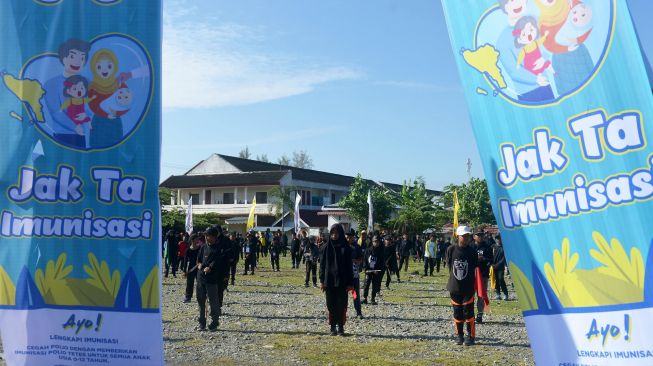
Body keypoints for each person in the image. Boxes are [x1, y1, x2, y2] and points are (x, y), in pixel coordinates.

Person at [319, 224, 354, 336]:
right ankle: (333, 327)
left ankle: (341, 327)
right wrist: (322, 281)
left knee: (341, 304)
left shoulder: (347, 248)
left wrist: (350, 283)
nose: (334, 235)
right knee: (331, 304)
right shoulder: (325, 248)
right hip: (329, 281)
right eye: (332, 233)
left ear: (340, 234)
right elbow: (322, 266)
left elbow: (349, 267)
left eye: (337, 233)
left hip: (343, 282)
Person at [446, 226, 478, 346]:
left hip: (468, 287)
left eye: (468, 236)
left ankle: (471, 336)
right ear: (457, 236)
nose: (466, 238)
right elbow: (449, 265)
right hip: (454, 287)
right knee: (457, 313)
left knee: (468, 313)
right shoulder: (450, 249)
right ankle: (459, 335)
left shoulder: (472, 252)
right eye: (463, 236)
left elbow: (475, 268)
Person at [196, 226, 232, 332]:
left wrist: (210, 267)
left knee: (213, 302)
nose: (207, 238)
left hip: (212, 279)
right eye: (206, 235)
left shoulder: (220, 248)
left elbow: (219, 262)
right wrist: (199, 265)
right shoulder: (203, 247)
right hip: (200, 278)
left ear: (215, 237)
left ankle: (215, 322)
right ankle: (202, 322)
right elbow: (198, 259)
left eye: (209, 236)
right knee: (200, 301)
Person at [474, 230, 493, 324]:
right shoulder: (470, 247)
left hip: (483, 275)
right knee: (469, 295)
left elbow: (491, 260)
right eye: (478, 235)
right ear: (474, 236)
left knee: (481, 295)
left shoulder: (487, 247)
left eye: (481, 235)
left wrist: (483, 259)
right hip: (472, 275)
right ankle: (469, 314)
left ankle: (479, 315)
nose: (480, 237)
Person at [346, 229, 364, 319]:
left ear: (353, 236)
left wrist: (354, 261)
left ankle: (358, 312)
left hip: (354, 274)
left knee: (355, 293)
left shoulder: (357, 247)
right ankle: (342, 313)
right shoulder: (342, 246)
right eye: (347, 236)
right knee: (343, 294)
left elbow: (361, 259)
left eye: (350, 236)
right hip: (344, 275)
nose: (348, 237)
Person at [362, 236, 385, 305]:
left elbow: (382, 262)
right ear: (372, 242)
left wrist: (378, 270)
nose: (376, 243)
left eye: (377, 242)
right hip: (368, 270)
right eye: (375, 242)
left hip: (376, 271)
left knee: (375, 285)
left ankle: (373, 299)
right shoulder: (368, 250)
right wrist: (365, 268)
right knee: (366, 284)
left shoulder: (381, 251)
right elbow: (365, 260)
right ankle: (365, 298)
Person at [182, 233, 202, 303]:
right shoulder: (188, 250)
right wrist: (184, 270)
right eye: (196, 239)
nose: (198, 241)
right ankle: (188, 297)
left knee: (199, 283)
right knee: (189, 283)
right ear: (192, 240)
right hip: (190, 268)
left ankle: (200, 297)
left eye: (198, 239)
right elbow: (185, 261)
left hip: (199, 267)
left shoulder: (200, 248)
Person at [492, 234, 509, 301]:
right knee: (495, 280)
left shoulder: (504, 247)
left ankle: (506, 294)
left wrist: (498, 265)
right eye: (497, 238)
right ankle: (498, 294)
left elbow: (504, 258)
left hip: (500, 267)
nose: (498, 240)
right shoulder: (493, 246)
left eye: (499, 238)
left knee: (501, 279)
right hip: (493, 266)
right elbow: (491, 255)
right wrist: (492, 264)